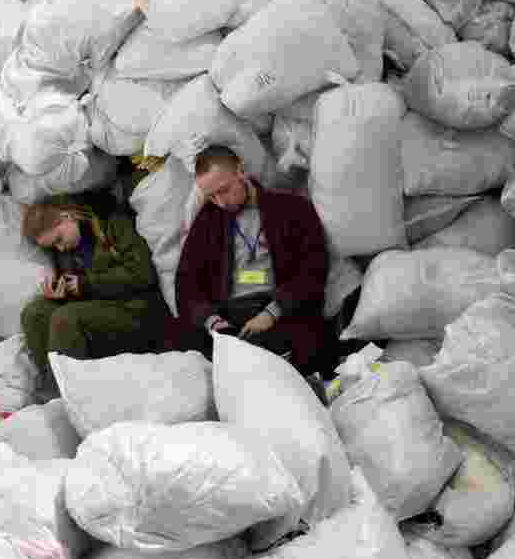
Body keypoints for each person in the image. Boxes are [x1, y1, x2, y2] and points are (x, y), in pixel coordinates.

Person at [164, 145, 337, 388]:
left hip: (279, 310)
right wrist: (212, 321)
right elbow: (187, 282)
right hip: (228, 317)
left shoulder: (292, 209)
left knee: (312, 346)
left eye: (223, 190)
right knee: (177, 344)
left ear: (240, 171)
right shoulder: (208, 220)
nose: (220, 202)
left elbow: (314, 268)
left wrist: (272, 313)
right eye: (211, 196)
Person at [20, 192, 167, 395]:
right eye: (54, 246)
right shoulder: (68, 253)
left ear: (67, 217)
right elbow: (84, 290)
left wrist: (85, 284)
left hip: (136, 311)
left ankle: (75, 395)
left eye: (59, 240)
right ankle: (53, 389)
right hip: (101, 310)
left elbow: (143, 274)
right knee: (35, 312)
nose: (60, 248)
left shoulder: (114, 224)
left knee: (66, 318)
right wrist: (64, 293)